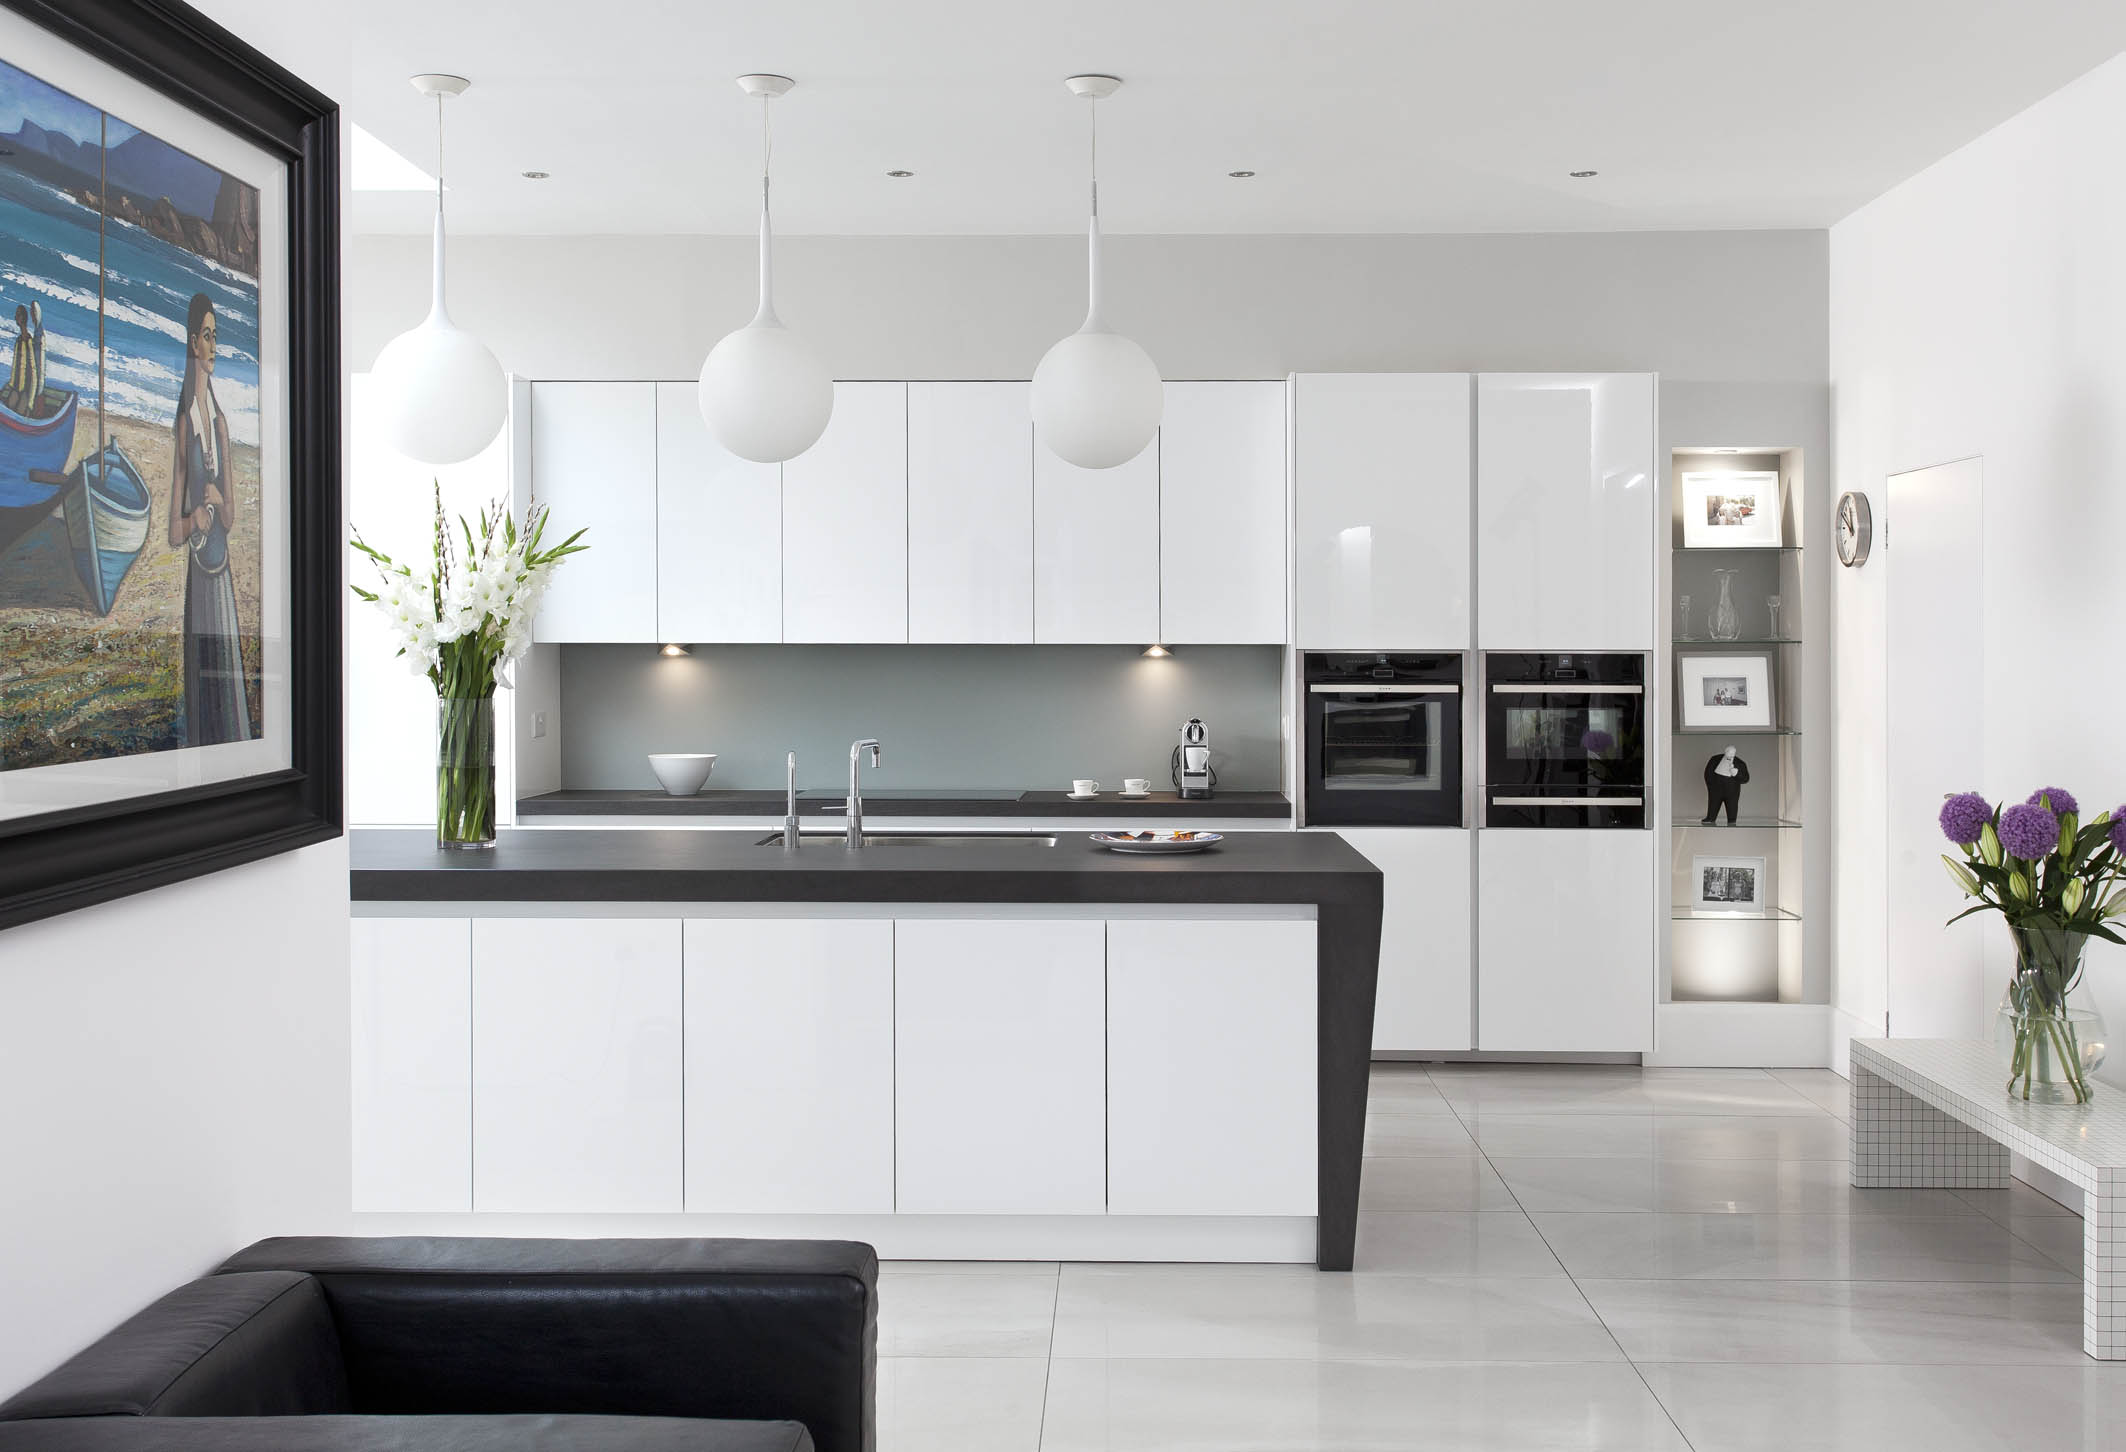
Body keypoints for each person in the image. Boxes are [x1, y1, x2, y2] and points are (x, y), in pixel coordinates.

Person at [168, 291, 252, 745]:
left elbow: (233, 515)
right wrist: (196, 517)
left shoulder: (219, 424)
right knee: (204, 686)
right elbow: (172, 531)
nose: (213, 344)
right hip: (198, 575)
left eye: (216, 335)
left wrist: (219, 500)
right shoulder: (185, 424)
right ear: (192, 343)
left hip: (221, 575)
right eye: (207, 335)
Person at [4, 304, 29, 414]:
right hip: (16, 384)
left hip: (24, 386)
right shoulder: (20, 338)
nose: (15, 317)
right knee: (10, 408)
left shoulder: (26, 339)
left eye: (18, 315)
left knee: (18, 412)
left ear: (23, 318)